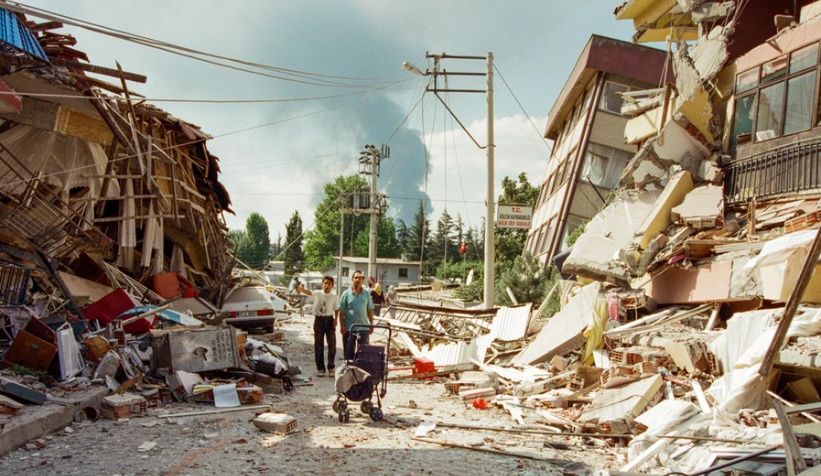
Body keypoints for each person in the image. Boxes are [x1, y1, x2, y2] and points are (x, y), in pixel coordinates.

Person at [297, 276, 338, 377]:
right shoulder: (318, 293)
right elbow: (309, 292)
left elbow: (336, 308)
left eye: (329, 283)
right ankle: (320, 368)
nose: (326, 285)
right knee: (319, 345)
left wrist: (336, 319)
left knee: (332, 345)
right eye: (325, 283)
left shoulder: (334, 296)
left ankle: (331, 367)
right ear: (322, 284)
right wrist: (302, 289)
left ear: (332, 285)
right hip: (319, 320)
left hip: (329, 320)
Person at [338, 270, 374, 361]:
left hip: (363, 327)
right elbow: (341, 311)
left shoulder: (366, 294)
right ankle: (349, 371)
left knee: (363, 353)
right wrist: (342, 326)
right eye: (356, 278)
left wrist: (371, 324)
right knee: (348, 353)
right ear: (352, 279)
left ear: (363, 280)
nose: (358, 279)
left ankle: (360, 372)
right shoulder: (346, 294)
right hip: (349, 328)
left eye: (360, 278)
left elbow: (369, 309)